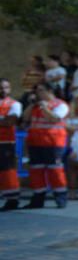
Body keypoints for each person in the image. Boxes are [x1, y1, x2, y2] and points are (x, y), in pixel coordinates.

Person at [25, 82, 69, 209]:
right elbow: (25, 118)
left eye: (40, 90)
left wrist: (45, 108)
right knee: (36, 170)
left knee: (55, 171)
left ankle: (60, 197)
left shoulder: (60, 105)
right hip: (35, 143)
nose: (38, 93)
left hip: (53, 143)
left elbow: (54, 118)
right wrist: (32, 105)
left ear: (50, 91)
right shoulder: (35, 105)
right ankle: (38, 199)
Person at [0, 78, 22, 211]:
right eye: (1, 87)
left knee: (8, 172)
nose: (3, 90)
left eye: (6, 87)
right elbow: (5, 121)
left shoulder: (15, 104)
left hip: (6, 143)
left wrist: (6, 120)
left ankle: (12, 199)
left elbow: (10, 121)